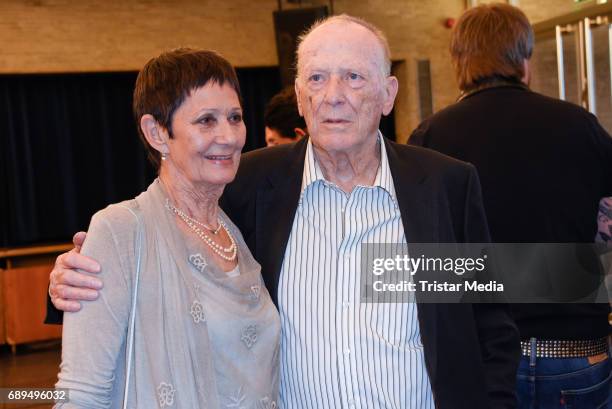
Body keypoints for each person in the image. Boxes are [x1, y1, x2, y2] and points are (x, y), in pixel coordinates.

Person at [48, 15, 520, 409]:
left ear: (388, 92)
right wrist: (70, 280)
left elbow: (489, 327)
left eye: (354, 77)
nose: (333, 94)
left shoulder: (444, 186)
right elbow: (167, 241)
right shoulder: (248, 184)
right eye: (317, 78)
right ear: (298, 96)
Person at [409, 4, 612, 408]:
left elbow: (419, 257)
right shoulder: (579, 125)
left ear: (458, 60)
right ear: (524, 57)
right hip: (575, 353)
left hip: (483, 359)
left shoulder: (430, 138)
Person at [53, 48, 280, 408]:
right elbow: (79, 394)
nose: (229, 135)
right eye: (206, 120)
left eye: (235, 117)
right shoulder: (121, 230)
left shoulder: (234, 230)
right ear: (157, 133)